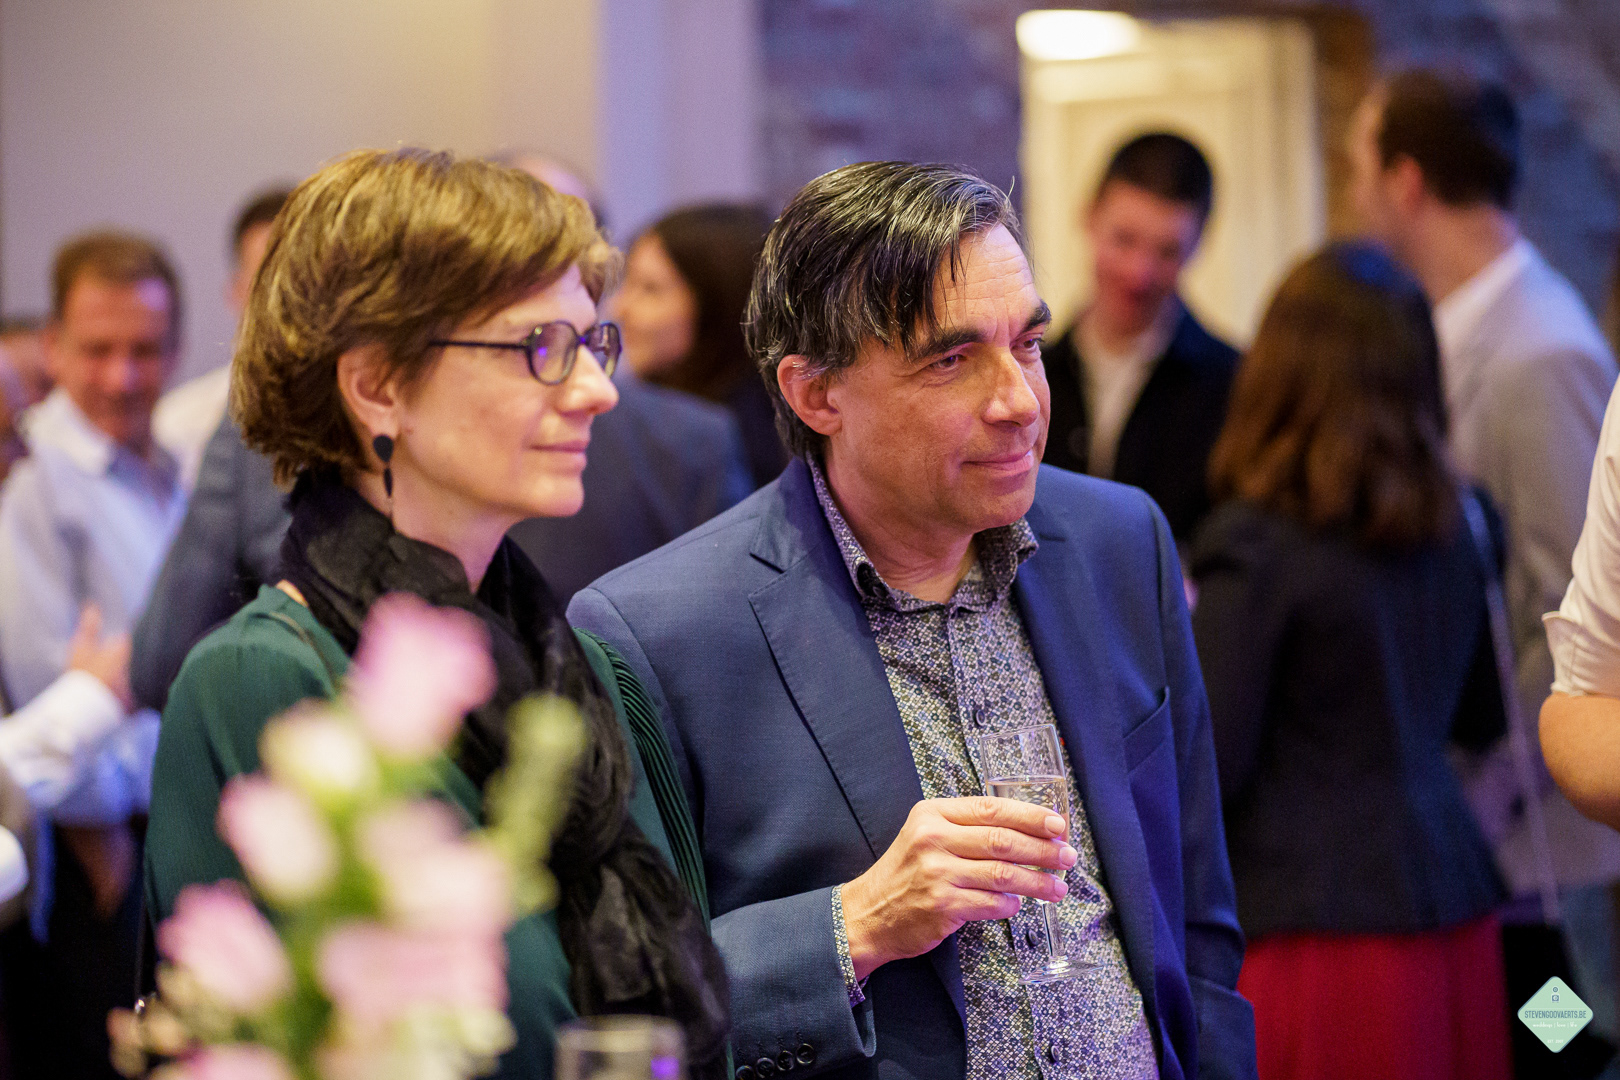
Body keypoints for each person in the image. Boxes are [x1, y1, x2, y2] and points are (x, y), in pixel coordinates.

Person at [571, 161, 1253, 1080]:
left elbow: (1195, 913)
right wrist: (853, 925)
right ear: (816, 394)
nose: (1019, 401)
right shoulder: (662, 633)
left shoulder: (1120, 542)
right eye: (951, 360)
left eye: (1029, 345)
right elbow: (626, 996)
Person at [143, 148, 730, 1079]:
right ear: (378, 385)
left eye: (594, 343)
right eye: (541, 348)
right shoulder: (263, 680)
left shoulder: (583, 669)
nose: (597, 390)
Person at [1348, 66, 1620, 1055]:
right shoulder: (1465, 328)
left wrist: (1497, 787)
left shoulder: (1542, 351)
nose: (1355, 194)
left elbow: (1576, 602)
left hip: (1550, 834)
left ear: (1406, 181)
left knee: (1572, 1044)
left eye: (1359, 167)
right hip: (1497, 829)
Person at [1190, 242, 1511, 1080]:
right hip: (1458, 915)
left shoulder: (1256, 547)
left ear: (1280, 373)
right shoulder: (1467, 525)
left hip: (1315, 933)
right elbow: (1483, 718)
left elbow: (1212, 764)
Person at [0, 230, 186, 1079]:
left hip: (159, 828)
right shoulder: (35, 477)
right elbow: (39, 669)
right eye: (98, 349)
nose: (123, 377)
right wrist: (103, 843)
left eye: (145, 350)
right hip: (93, 851)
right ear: (54, 347)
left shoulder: (170, 464)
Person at [1039, 132, 1239, 543]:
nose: (1139, 273)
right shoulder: (1030, 372)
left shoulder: (1234, 385)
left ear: (1198, 244)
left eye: (1167, 251)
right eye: (1124, 239)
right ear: (1089, 217)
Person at [612, 203, 789, 486]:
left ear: (718, 307)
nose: (619, 308)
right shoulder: (650, 415)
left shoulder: (743, 446)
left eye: (650, 289)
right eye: (626, 282)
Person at [151, 187, 291, 491]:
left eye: (300, 281)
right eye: (266, 284)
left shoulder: (364, 419)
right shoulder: (176, 428)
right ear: (235, 292)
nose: (286, 302)